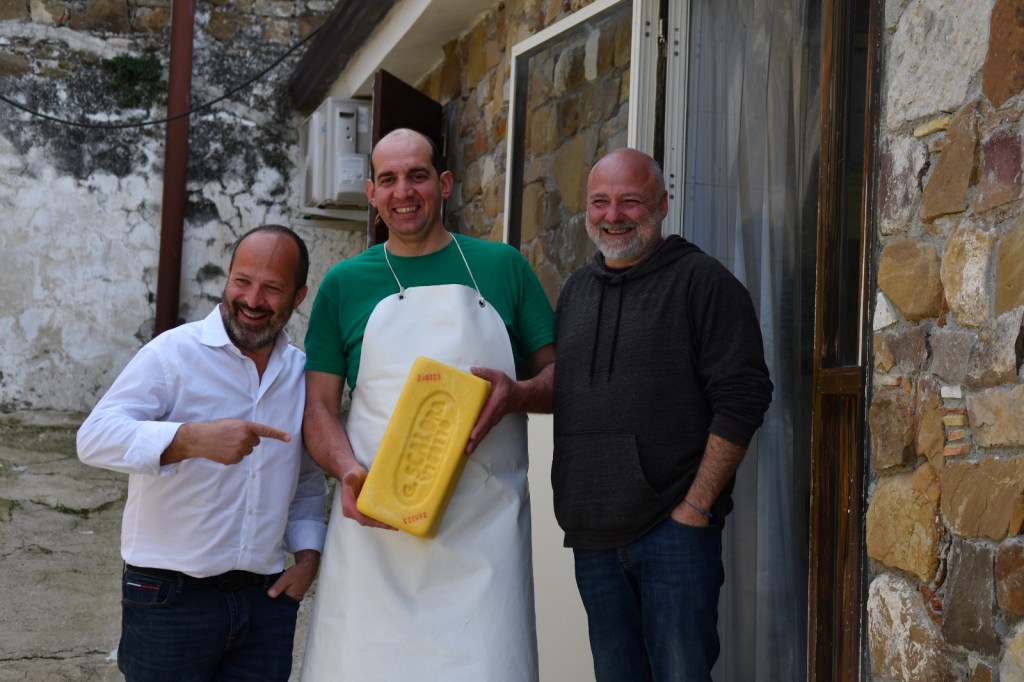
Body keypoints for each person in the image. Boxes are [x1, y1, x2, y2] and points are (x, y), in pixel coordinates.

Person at [299, 128, 555, 681]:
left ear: (444, 183)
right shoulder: (343, 284)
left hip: (485, 535)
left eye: (417, 175)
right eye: (388, 179)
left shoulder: (503, 267)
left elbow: (562, 380)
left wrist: (518, 394)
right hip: (375, 537)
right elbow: (317, 407)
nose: (403, 191)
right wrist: (347, 471)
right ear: (371, 192)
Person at [552, 148, 773, 681]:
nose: (613, 215)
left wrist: (696, 507)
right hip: (593, 538)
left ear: (662, 204)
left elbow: (744, 396)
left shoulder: (704, 283)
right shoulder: (576, 291)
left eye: (630, 201)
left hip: (674, 537)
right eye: (600, 202)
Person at [76, 225, 328, 682]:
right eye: (242, 281)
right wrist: (189, 440)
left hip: (266, 602)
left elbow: (306, 478)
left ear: (299, 296)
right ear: (227, 278)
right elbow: (93, 437)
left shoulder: (301, 373)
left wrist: (308, 559)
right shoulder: (173, 353)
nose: (252, 300)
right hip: (169, 598)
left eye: (272, 288)